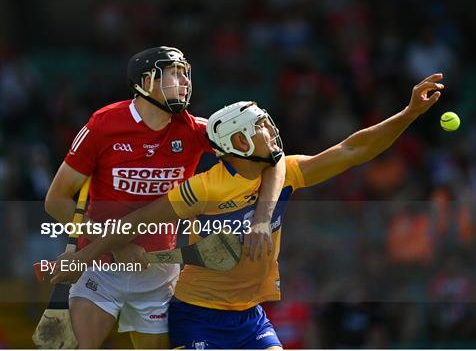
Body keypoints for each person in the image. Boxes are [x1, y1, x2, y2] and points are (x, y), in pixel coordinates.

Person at [52, 73, 444, 349]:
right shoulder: (202, 189)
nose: (273, 130)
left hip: (250, 316)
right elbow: (134, 223)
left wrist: (408, 113)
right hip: (197, 314)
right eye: (262, 127)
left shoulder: (286, 170)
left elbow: (353, 150)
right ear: (238, 141)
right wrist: (83, 256)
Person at [44, 46, 285, 349]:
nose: (185, 81)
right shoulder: (103, 125)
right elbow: (56, 200)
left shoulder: (195, 130)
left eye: (187, 74)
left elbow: (274, 160)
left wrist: (262, 219)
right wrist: (113, 245)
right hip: (100, 266)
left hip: (157, 274)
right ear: (146, 81)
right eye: (174, 73)